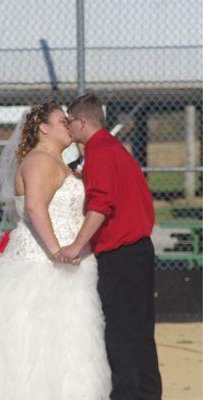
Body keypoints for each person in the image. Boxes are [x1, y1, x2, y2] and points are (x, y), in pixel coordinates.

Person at [0, 101, 111, 400]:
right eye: (61, 120)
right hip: (42, 263)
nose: (67, 124)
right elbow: (34, 206)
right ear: (43, 127)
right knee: (32, 339)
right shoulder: (41, 160)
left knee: (62, 341)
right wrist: (57, 250)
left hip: (64, 264)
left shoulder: (56, 161)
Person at [60, 93, 162, 400]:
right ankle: (147, 393)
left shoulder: (101, 151)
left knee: (122, 334)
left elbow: (101, 205)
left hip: (122, 255)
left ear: (80, 121)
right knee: (140, 332)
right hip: (138, 250)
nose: (67, 127)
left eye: (68, 121)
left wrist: (77, 246)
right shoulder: (112, 148)